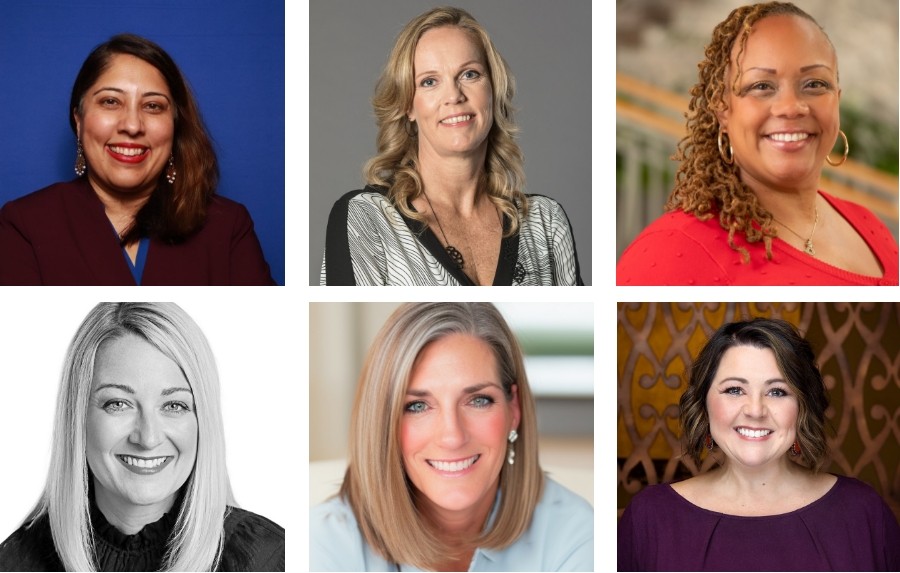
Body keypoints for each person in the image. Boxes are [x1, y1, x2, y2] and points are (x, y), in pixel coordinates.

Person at [616, 2, 899, 286]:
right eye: (761, 86)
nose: (791, 107)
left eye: (814, 84)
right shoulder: (671, 252)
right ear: (723, 110)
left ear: (836, 98)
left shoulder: (869, 225)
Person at [0, 303, 285, 571]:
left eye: (174, 405)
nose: (148, 438)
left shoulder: (269, 557)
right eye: (118, 404)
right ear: (77, 418)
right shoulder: (14, 562)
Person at [310, 303, 593, 571]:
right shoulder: (321, 546)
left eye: (479, 400)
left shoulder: (576, 534)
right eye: (417, 406)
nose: (452, 436)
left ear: (514, 408)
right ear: (384, 422)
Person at [320, 7, 583, 286]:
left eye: (469, 74)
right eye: (429, 81)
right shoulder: (368, 220)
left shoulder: (546, 223)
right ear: (408, 104)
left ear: (493, 89)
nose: (454, 96)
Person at [617, 318, 900, 571]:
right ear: (704, 403)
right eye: (735, 390)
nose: (755, 410)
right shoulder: (651, 517)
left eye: (777, 391)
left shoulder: (862, 512)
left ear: (802, 406)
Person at [0, 34, 275, 285]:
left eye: (152, 106)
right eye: (110, 101)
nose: (132, 125)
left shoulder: (227, 225)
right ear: (79, 120)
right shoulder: (25, 224)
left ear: (175, 126)